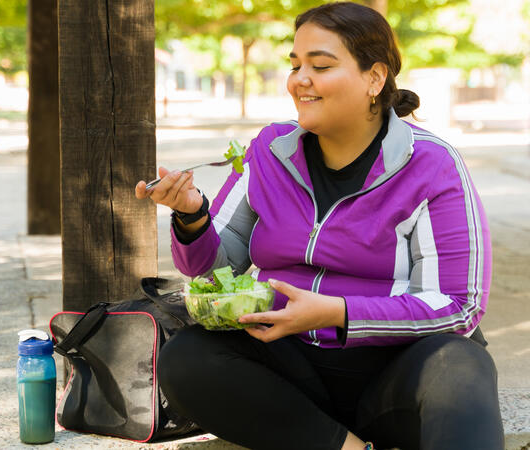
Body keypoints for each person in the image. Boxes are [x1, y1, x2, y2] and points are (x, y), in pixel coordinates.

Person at [135, 3, 502, 449]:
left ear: (374, 78)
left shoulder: (431, 166)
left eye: (320, 65)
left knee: (461, 366)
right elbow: (215, 269)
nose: (299, 79)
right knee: (187, 358)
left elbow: (458, 305)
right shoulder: (269, 150)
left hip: (391, 372)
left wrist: (339, 313)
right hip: (291, 372)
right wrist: (192, 215)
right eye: (295, 65)